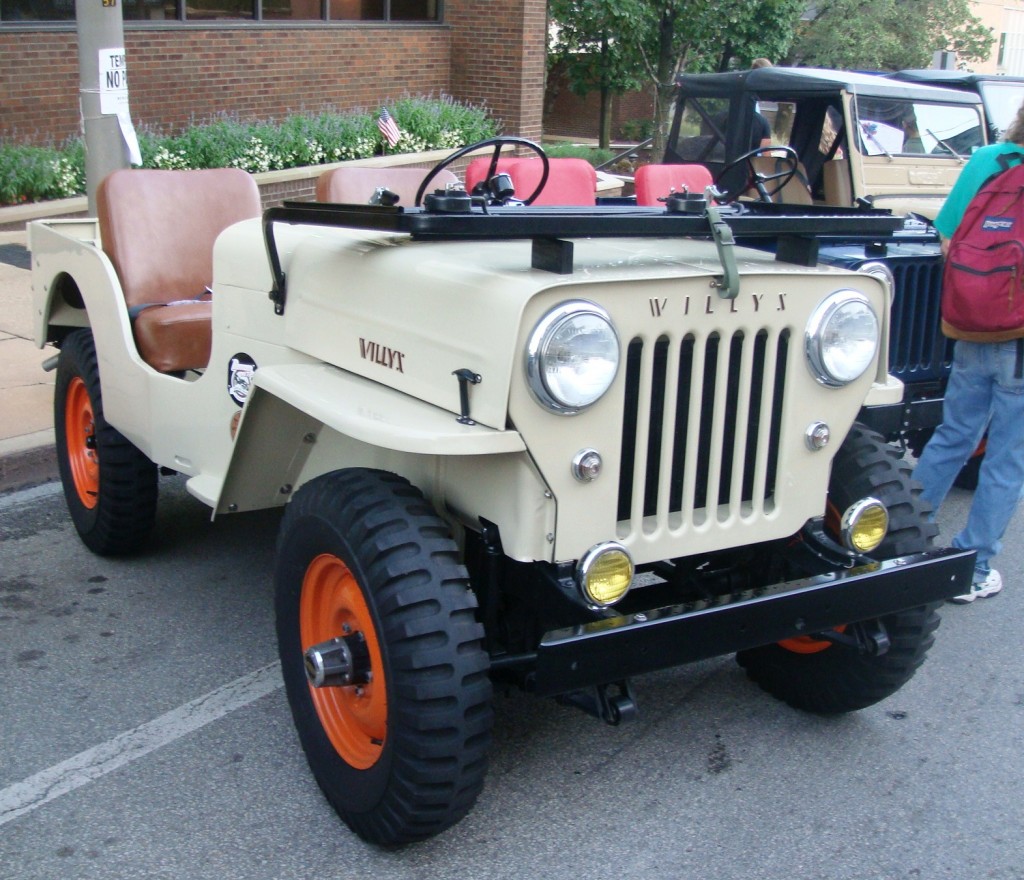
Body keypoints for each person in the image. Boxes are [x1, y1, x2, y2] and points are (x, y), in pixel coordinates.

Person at [912, 99, 1024, 603]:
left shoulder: (987, 160)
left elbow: (947, 236)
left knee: (952, 435)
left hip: (972, 325)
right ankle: (972, 570)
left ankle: (904, 542)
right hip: (1020, 338)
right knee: (1007, 458)